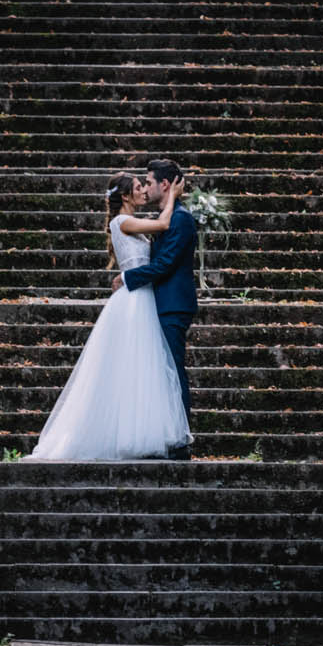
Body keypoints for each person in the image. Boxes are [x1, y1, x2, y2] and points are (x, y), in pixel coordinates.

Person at [23, 172, 191, 461]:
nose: (143, 192)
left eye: (145, 185)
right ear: (125, 196)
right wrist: (173, 193)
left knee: (142, 371)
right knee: (131, 368)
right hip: (134, 301)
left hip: (145, 297)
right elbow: (164, 223)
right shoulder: (122, 222)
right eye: (139, 188)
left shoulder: (133, 224)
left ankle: (142, 432)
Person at [115, 158, 198, 460]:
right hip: (158, 306)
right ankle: (165, 437)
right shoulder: (167, 217)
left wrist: (127, 278)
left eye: (149, 182)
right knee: (160, 374)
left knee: (173, 372)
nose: (146, 187)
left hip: (172, 307)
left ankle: (180, 444)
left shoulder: (181, 219)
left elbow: (163, 265)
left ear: (165, 184)